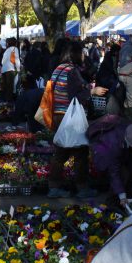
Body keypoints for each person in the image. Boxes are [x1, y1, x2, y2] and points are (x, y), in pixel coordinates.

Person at [47, 41, 107, 199]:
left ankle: (54, 187)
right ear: (75, 53)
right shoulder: (72, 71)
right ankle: (82, 188)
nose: (84, 55)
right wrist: (92, 91)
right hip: (70, 116)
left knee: (60, 152)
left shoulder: (58, 69)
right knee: (80, 151)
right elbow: (76, 95)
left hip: (58, 115)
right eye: (82, 52)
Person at [88, 117, 132, 205]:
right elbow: (114, 173)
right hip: (106, 150)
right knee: (122, 175)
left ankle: (129, 200)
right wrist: (122, 195)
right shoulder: (112, 144)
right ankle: (112, 202)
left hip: (124, 147)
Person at [1, 37, 21, 102]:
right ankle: (9, 105)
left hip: (4, 70)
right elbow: (17, 59)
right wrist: (18, 69)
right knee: (10, 88)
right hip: (10, 70)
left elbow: (2, 62)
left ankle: (4, 104)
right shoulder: (15, 49)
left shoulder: (6, 50)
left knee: (6, 88)